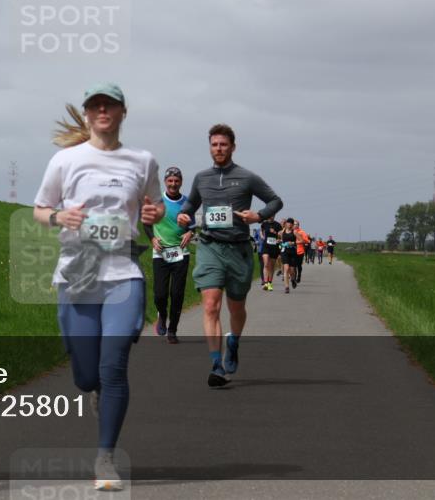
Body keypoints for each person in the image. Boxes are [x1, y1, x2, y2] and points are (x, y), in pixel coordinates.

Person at [34, 83, 163, 491]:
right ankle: (93, 390)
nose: (102, 110)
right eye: (95, 105)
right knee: (87, 374)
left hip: (123, 272)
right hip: (78, 272)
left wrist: (153, 211)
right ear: (88, 115)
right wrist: (59, 219)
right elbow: (40, 209)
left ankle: (106, 457)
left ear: (123, 112)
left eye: (109, 105)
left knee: (114, 366)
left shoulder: (142, 160)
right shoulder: (66, 160)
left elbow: (154, 208)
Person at [176, 124, 283, 387]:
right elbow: (191, 203)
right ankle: (216, 364)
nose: (219, 149)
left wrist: (258, 216)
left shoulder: (246, 177)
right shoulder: (201, 178)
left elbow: (275, 201)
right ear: (210, 147)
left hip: (238, 249)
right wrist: (184, 214)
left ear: (232, 147)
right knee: (211, 304)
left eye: (223, 144)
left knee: (237, 307)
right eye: (214, 145)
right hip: (210, 246)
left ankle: (233, 341)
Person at [146, 166, 195, 343]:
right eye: (170, 181)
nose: (173, 184)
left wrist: (190, 233)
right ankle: (162, 314)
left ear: (181, 182)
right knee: (160, 294)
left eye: (176, 181)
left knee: (177, 293)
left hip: (181, 253)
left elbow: (193, 226)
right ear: (165, 182)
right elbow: (146, 223)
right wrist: (152, 239)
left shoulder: (188, 203)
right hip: (161, 254)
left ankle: (173, 329)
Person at [259, 217, 283, 291]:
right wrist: (262, 236)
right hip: (266, 246)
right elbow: (261, 231)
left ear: (274, 215)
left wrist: (275, 233)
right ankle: (265, 283)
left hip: (274, 247)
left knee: (272, 266)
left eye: (272, 215)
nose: (271, 216)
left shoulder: (278, 225)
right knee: (266, 263)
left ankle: (270, 283)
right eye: (270, 215)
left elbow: (280, 236)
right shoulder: (264, 224)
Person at [279, 218, 299, 293]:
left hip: (293, 252)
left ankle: (293, 279)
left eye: (291, 223)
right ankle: (286, 287)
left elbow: (301, 240)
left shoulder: (294, 232)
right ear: (286, 224)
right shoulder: (282, 232)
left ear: (292, 224)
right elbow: (280, 239)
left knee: (292, 270)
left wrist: (293, 243)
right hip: (284, 252)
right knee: (286, 268)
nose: (289, 224)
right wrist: (280, 241)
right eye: (288, 223)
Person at [293, 220, 309, 287]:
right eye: (294, 224)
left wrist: (298, 241)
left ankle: (299, 276)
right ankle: (294, 278)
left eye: (296, 224)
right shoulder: (291, 232)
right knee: (293, 266)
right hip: (292, 251)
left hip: (300, 251)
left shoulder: (302, 232)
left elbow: (307, 241)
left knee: (298, 265)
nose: (295, 225)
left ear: (298, 225)